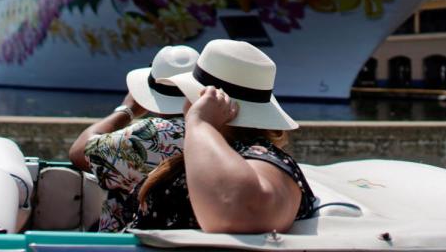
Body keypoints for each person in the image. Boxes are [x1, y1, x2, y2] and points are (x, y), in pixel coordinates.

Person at [130, 39, 315, 233]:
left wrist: (200, 122)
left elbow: (241, 211)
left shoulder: (259, 155)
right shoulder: (244, 150)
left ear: (202, 101)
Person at [68, 45, 198, 232]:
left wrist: (126, 110)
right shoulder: (217, 133)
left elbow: (80, 151)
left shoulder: (150, 135)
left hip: (133, 242)